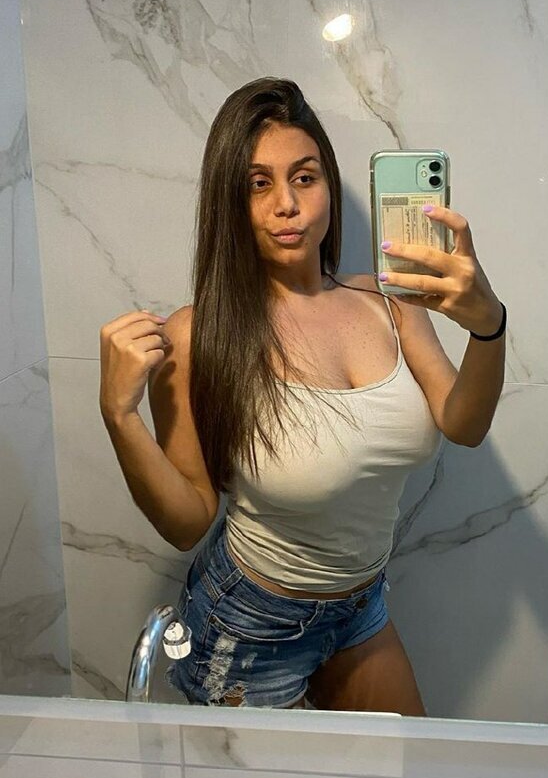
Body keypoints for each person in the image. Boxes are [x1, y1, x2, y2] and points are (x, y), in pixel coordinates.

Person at [99, 77, 506, 714]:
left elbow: (464, 423)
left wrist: (489, 326)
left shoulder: (390, 301)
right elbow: (186, 522)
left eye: (305, 178)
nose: (286, 205)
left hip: (360, 605)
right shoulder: (197, 335)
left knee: (409, 768)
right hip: (248, 624)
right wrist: (119, 416)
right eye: (258, 184)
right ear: (230, 201)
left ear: (328, 187)